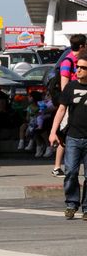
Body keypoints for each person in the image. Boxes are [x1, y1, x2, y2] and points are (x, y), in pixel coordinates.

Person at [49, 47, 87, 220]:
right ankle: (71, 204)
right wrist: (53, 131)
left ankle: (86, 208)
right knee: (71, 172)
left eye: (83, 68)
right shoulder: (71, 87)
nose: (78, 70)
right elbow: (61, 109)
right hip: (73, 137)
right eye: (77, 67)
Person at [51, 33, 86, 178]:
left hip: (79, 102)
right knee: (66, 133)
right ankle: (57, 166)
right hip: (70, 103)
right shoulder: (68, 61)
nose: (79, 69)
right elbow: (65, 85)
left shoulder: (81, 60)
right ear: (82, 46)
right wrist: (66, 102)